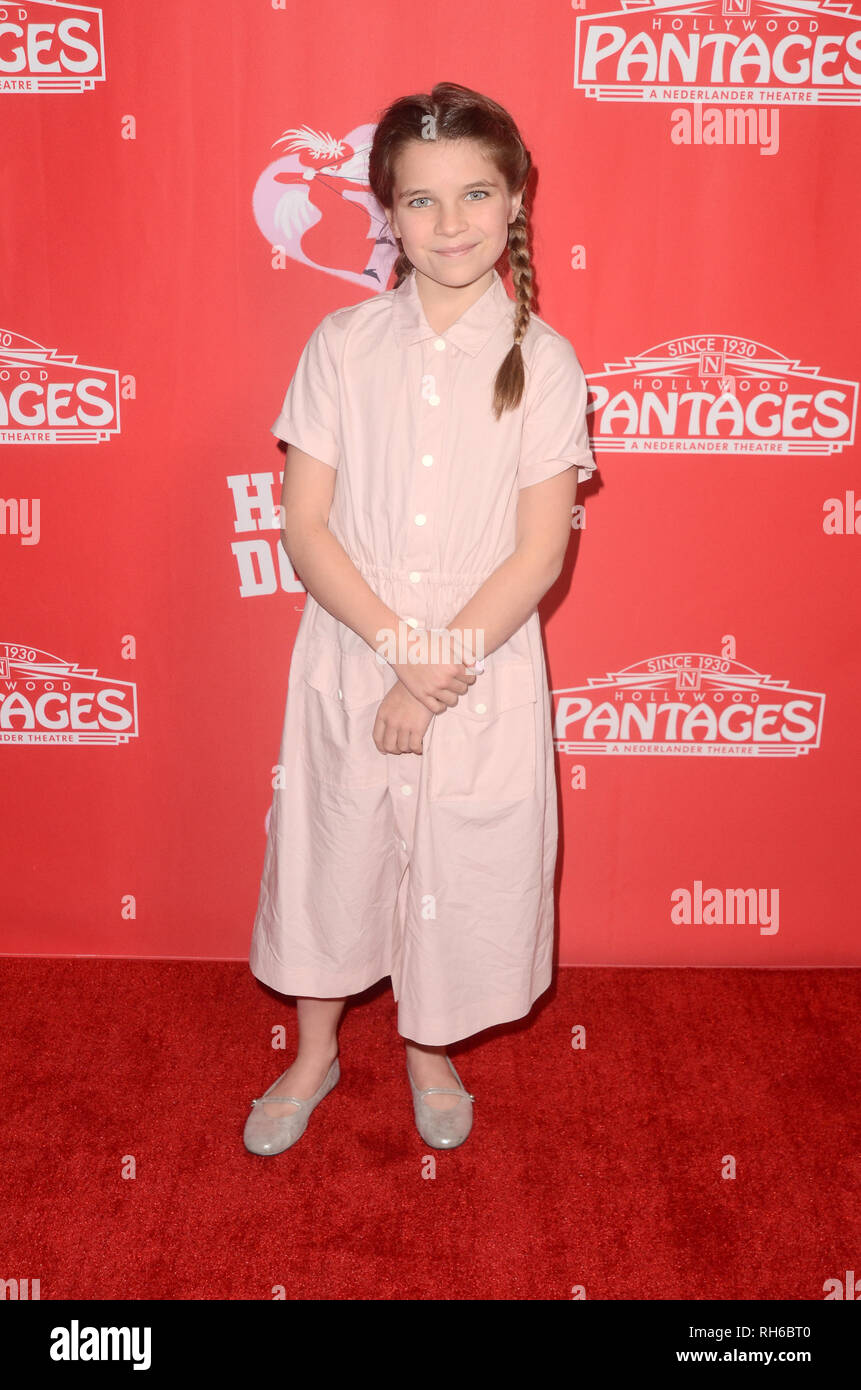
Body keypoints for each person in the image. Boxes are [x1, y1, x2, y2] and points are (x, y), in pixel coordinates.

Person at [244, 81, 597, 1157]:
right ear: (387, 215)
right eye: (422, 201)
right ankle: (313, 1049)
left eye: (476, 194)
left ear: (517, 200)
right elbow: (305, 526)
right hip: (356, 652)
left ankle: (427, 1046)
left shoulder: (544, 360)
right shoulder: (342, 343)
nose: (452, 225)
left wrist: (436, 668)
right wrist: (401, 654)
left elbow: (539, 550)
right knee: (333, 846)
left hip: (479, 666)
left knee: (454, 855)